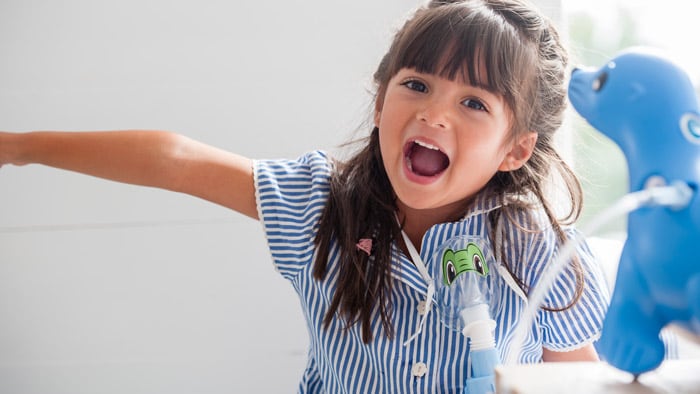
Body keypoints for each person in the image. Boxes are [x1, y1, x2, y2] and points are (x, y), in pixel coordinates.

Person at [0, 0, 610, 392]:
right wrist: (17, 146)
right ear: (379, 105)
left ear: (516, 150)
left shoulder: (536, 250)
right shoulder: (320, 207)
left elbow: (574, 378)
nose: (434, 113)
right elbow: (177, 161)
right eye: (417, 84)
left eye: (473, 103)